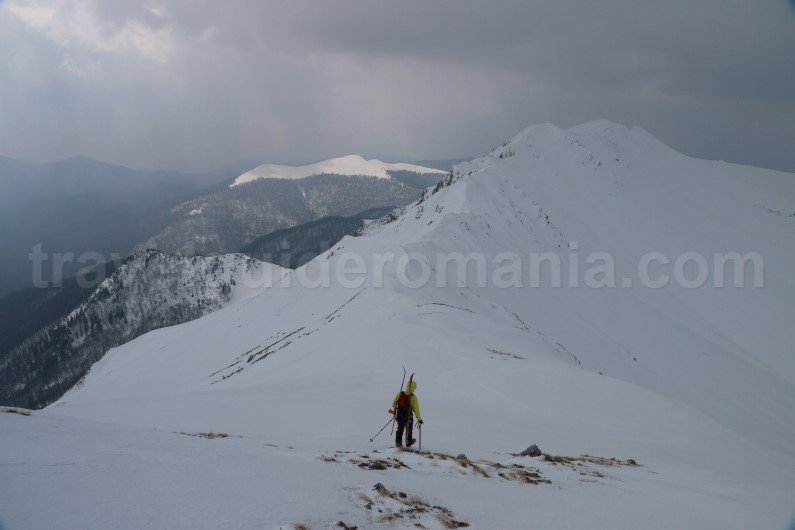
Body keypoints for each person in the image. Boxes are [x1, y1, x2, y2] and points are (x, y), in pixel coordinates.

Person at [390, 379, 423, 448]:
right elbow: (416, 409)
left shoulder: (400, 394)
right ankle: (408, 442)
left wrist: (395, 412)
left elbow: (393, 404)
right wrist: (419, 418)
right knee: (409, 429)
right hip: (408, 416)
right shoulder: (413, 397)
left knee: (400, 428)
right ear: (414, 388)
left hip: (399, 415)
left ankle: (398, 443)